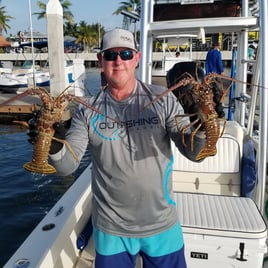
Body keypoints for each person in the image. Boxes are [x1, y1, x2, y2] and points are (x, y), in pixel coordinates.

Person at [46, 28, 206, 268]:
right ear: (100, 61)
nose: (118, 60)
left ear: (137, 59)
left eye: (126, 53)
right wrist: (54, 143)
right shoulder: (86, 109)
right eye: (110, 55)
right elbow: (67, 166)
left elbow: (193, 153)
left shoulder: (164, 98)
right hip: (112, 229)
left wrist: (201, 123)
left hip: (162, 224)